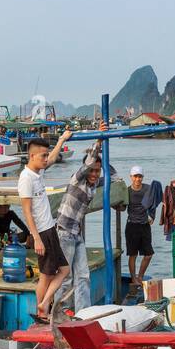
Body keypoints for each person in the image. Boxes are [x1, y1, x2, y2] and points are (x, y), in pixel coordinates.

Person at [52, 122, 113, 314]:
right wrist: (99, 140)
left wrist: (103, 160)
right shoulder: (77, 178)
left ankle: (82, 315)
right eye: (92, 171)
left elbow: (113, 175)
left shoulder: (94, 184)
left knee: (84, 276)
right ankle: (58, 313)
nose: (94, 174)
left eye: (97, 171)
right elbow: (88, 163)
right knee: (66, 277)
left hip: (76, 233)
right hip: (64, 232)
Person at [17, 135, 69, 322]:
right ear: (32, 156)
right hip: (42, 233)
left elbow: (54, 157)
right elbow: (27, 212)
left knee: (64, 270)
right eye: (43, 156)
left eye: (46, 155)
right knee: (46, 276)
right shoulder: (26, 179)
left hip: (50, 229)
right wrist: (36, 238)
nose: (46, 160)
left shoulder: (38, 173)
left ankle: (44, 303)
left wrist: (62, 140)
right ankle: (42, 312)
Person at [125, 165, 159, 288]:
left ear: (142, 177)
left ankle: (140, 276)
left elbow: (155, 202)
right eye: (135, 176)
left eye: (140, 176)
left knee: (148, 254)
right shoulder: (127, 191)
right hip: (132, 225)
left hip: (145, 225)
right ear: (131, 177)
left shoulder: (148, 189)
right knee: (132, 254)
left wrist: (152, 216)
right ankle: (134, 278)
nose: (138, 179)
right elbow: (123, 207)